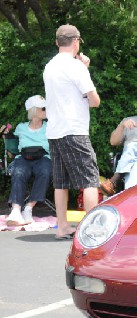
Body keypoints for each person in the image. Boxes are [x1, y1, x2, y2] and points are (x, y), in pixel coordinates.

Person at [43, 24, 101, 240]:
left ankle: (62, 227)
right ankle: (92, 230)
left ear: (58, 42)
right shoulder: (76, 67)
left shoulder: (50, 66)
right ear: (76, 41)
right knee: (89, 180)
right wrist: (84, 68)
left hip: (55, 130)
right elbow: (94, 100)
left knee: (61, 182)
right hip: (74, 130)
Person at [3, 95, 52, 226]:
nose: (47, 110)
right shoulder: (21, 127)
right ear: (34, 110)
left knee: (45, 171)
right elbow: (12, 150)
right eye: (44, 108)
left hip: (44, 158)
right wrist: (5, 135)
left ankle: (28, 209)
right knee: (19, 172)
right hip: (23, 158)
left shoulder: (50, 126)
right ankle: (16, 210)